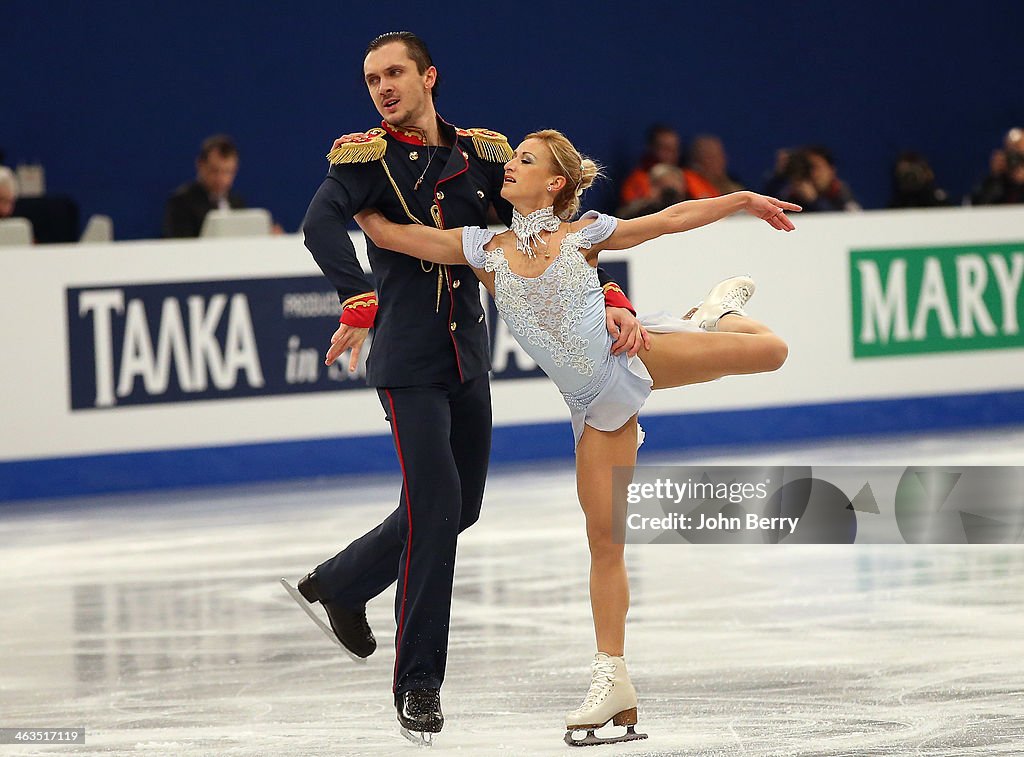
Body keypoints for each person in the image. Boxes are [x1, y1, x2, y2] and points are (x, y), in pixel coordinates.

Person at [354, 128, 797, 746]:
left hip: (630, 357)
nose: (511, 166)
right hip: (589, 406)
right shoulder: (484, 248)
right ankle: (612, 676)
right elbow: (396, 236)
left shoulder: (582, 233)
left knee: (772, 351)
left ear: (554, 183)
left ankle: (712, 314)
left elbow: (669, 219)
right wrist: (353, 192)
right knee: (604, 539)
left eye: (525, 161)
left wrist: (739, 202)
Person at [294, 32, 643, 744]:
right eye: (371, 79)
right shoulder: (366, 160)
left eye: (394, 73)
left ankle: (340, 581)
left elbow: (548, 236)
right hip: (406, 361)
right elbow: (317, 225)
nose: (383, 87)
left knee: (460, 507)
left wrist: (608, 292)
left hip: (465, 355)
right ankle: (418, 683)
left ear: (428, 76)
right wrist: (357, 296)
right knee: (437, 507)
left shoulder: (486, 154)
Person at [163, 134, 246, 238]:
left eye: (228, 172)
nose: (221, 179)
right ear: (200, 165)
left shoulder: (237, 202)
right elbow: (180, 246)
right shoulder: (181, 202)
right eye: (215, 171)